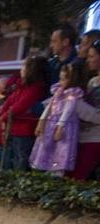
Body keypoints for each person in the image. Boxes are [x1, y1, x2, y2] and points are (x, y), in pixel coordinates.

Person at [30, 62, 87, 176]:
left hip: (64, 127)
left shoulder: (72, 94)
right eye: (60, 79)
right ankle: (45, 170)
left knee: (60, 150)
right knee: (46, 148)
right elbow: (50, 106)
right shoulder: (58, 91)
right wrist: (41, 121)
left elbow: (68, 110)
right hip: (51, 124)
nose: (61, 82)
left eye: (64, 79)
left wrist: (60, 126)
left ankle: (57, 172)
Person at [0, 54, 48, 171]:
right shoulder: (21, 86)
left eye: (24, 66)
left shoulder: (35, 88)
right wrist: (3, 113)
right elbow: (10, 101)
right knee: (13, 157)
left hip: (24, 130)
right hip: (14, 128)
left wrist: (4, 116)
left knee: (21, 158)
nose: (21, 69)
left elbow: (20, 106)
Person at [73, 42, 100, 180]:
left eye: (91, 56)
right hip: (82, 135)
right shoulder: (92, 81)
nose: (88, 60)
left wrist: (78, 106)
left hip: (96, 138)